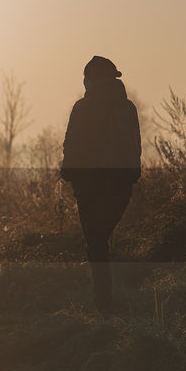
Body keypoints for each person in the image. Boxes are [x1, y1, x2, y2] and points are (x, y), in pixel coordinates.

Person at [60, 55, 142, 314]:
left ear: (89, 80)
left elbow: (71, 145)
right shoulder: (128, 108)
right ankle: (110, 300)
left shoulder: (82, 108)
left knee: (96, 243)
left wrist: (70, 175)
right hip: (121, 186)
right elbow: (135, 145)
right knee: (100, 240)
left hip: (90, 187)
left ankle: (104, 305)